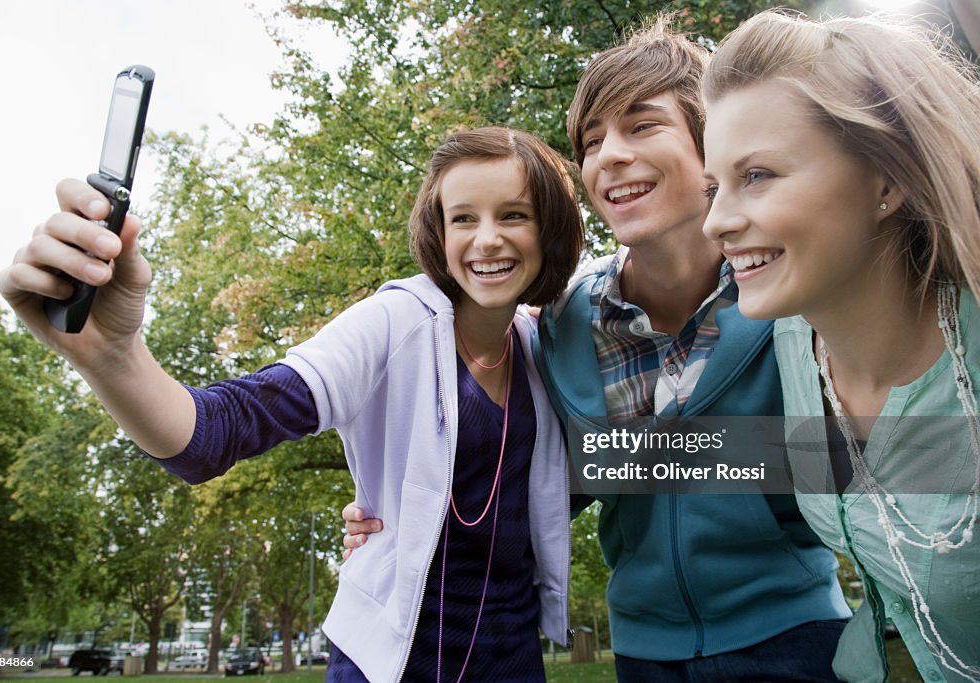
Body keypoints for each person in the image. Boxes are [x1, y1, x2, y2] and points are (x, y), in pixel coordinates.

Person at [346, 16, 853, 682]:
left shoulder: (791, 296)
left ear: (714, 147)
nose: (608, 154)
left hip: (796, 634)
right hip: (645, 652)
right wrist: (402, 513)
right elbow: (536, 484)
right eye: (591, 141)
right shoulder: (559, 326)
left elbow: (888, 455)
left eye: (642, 126)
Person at [0, 126, 585, 683]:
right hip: (389, 659)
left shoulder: (545, 346)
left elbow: (568, 487)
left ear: (550, 230)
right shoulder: (394, 322)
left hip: (511, 655)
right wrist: (113, 357)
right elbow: (218, 432)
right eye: (463, 218)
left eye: (514, 215)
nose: (487, 238)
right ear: (440, 232)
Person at [701, 10, 980, 683]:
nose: (716, 221)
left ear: (887, 182)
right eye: (715, 186)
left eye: (759, 175)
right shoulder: (792, 339)